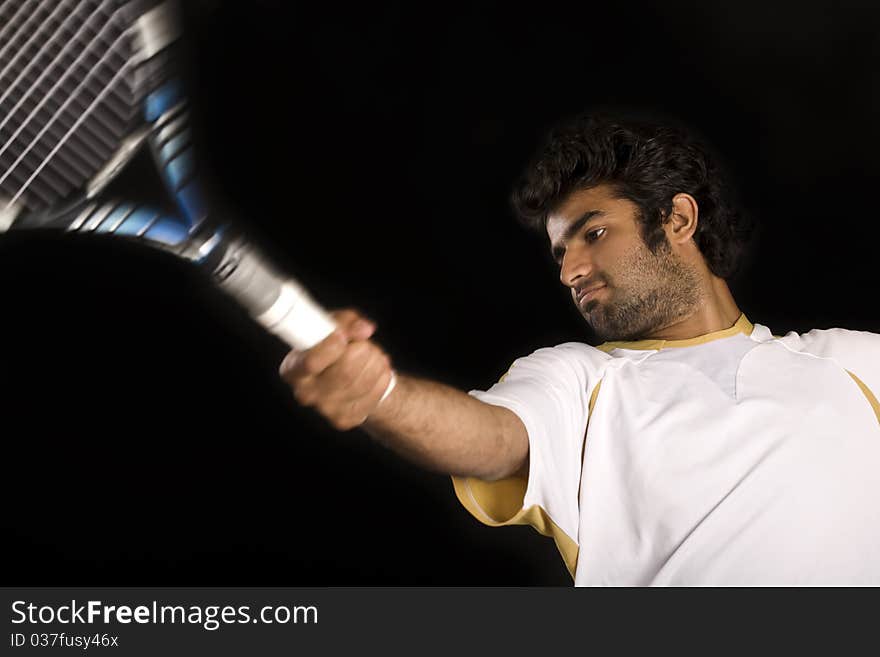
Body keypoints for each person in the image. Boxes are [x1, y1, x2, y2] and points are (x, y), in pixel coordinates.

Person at [278, 113, 880, 586]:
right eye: (560, 252)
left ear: (678, 219)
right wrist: (380, 393)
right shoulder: (581, 381)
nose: (571, 271)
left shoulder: (852, 363)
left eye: (593, 234)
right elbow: (491, 437)